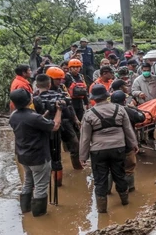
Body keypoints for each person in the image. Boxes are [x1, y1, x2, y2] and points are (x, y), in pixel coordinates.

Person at [79, 84, 138, 213]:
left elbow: (85, 138)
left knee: (100, 180)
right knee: (120, 175)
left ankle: (102, 211)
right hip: (118, 148)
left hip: (98, 151)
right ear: (107, 96)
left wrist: (83, 156)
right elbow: (128, 130)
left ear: (93, 98)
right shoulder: (120, 109)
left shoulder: (89, 114)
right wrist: (134, 144)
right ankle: (125, 202)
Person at [9, 88, 61, 217]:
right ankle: (39, 216)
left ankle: (25, 210)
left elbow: (28, 125)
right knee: (40, 186)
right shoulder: (34, 117)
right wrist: (59, 110)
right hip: (38, 157)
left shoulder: (13, 116)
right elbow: (54, 126)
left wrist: (42, 118)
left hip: (23, 156)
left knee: (28, 182)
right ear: (29, 100)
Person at [46, 67, 83, 171]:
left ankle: (77, 167)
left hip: (66, 120)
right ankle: (56, 171)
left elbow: (70, 105)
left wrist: (75, 119)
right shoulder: (44, 92)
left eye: (60, 79)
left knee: (75, 143)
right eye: (57, 79)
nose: (59, 81)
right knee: (54, 149)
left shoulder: (62, 88)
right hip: (52, 123)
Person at [109, 89, 145, 193]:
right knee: (129, 168)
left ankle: (107, 191)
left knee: (111, 169)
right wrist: (135, 108)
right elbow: (142, 118)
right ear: (124, 101)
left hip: (110, 145)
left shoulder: (105, 110)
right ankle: (130, 189)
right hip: (127, 145)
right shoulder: (127, 111)